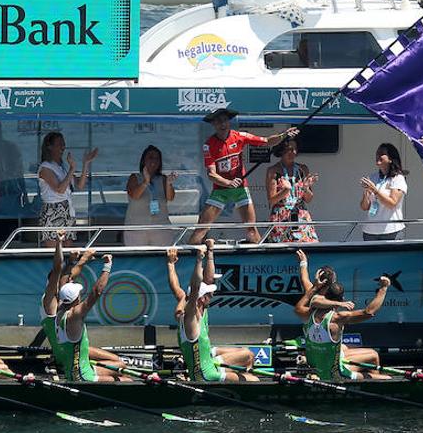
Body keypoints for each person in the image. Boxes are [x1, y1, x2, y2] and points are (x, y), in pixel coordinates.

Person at [195, 108, 296, 244]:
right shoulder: (209, 144)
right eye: (218, 121)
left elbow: (266, 141)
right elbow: (211, 174)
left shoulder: (240, 136)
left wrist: (284, 135)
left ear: (229, 122)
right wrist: (228, 183)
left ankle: (259, 258)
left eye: (224, 120)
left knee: (251, 229)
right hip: (220, 190)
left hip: (241, 189)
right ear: (213, 124)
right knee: (202, 227)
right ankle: (186, 257)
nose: (222, 124)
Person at [167, 241, 257, 381]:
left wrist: (209, 253)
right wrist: (198, 259)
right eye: (208, 294)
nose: (212, 295)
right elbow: (195, 286)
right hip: (205, 375)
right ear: (200, 298)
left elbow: (204, 281)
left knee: (248, 355)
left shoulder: (200, 304)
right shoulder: (191, 313)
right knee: (254, 380)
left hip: (208, 361)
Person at [294, 256, 390, 380]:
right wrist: (383, 288)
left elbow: (304, 280)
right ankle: (372, 385)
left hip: (315, 366)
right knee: (376, 359)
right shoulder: (337, 318)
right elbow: (369, 312)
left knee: (344, 347)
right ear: (341, 298)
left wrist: (303, 262)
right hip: (335, 374)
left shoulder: (308, 309)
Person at [39, 239, 123, 368]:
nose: (66, 281)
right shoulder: (49, 302)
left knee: (116, 359)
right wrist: (59, 243)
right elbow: (57, 270)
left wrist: (77, 260)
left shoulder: (61, 299)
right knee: (119, 365)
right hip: (66, 356)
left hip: (71, 348)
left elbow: (68, 276)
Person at [54, 255, 126, 381]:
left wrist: (77, 261)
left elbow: (63, 283)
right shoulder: (74, 315)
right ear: (76, 299)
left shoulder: (60, 310)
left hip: (78, 370)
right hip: (82, 377)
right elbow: (96, 293)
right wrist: (107, 266)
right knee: (126, 380)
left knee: (121, 366)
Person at [36, 131, 97, 244]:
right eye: (60, 144)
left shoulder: (61, 167)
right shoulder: (45, 168)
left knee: (68, 249)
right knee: (55, 251)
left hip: (67, 210)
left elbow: (80, 185)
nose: (63, 147)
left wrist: (85, 164)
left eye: (63, 144)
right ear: (49, 147)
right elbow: (59, 189)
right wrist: (72, 168)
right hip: (52, 210)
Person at [266, 138, 318, 244]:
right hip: (281, 216)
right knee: (281, 249)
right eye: (289, 149)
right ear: (281, 150)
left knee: (308, 245)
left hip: (301, 215)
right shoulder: (273, 171)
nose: (293, 152)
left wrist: (305, 188)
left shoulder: (302, 169)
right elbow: (271, 201)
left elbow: (308, 199)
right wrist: (286, 191)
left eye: (295, 149)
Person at [124, 144, 178, 247]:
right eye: (150, 157)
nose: (154, 161)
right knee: (136, 258)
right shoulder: (135, 177)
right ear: (143, 160)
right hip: (137, 227)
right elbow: (134, 195)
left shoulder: (163, 179)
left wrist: (169, 183)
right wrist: (145, 182)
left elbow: (170, 198)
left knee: (163, 257)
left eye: (157, 158)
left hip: (160, 226)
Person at [359, 143, 409, 241]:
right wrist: (366, 193)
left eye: (381, 153)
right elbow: (364, 207)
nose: (378, 155)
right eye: (377, 153)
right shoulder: (373, 177)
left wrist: (375, 190)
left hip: (391, 231)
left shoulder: (398, 178)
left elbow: (392, 203)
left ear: (390, 159)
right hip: (370, 231)